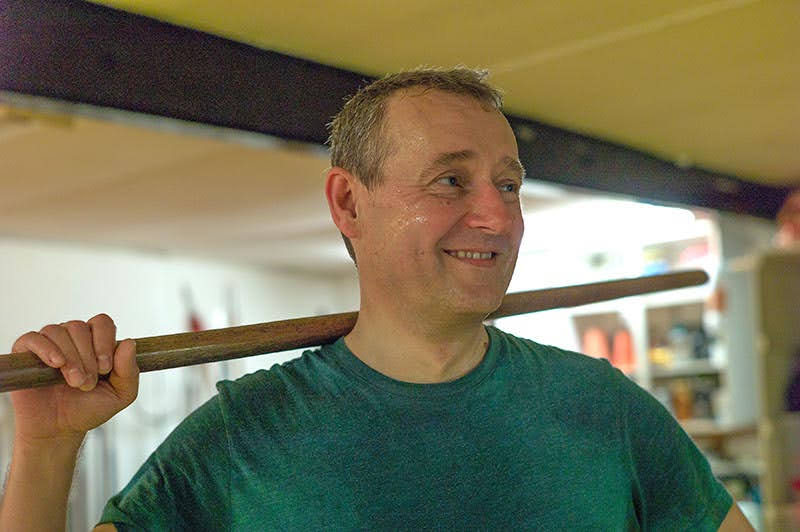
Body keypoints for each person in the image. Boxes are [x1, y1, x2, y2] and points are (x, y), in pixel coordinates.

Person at [0, 68, 753, 531]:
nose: (497, 216)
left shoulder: (604, 410)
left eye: (510, 183)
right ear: (348, 206)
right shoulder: (241, 437)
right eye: (451, 181)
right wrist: (46, 450)